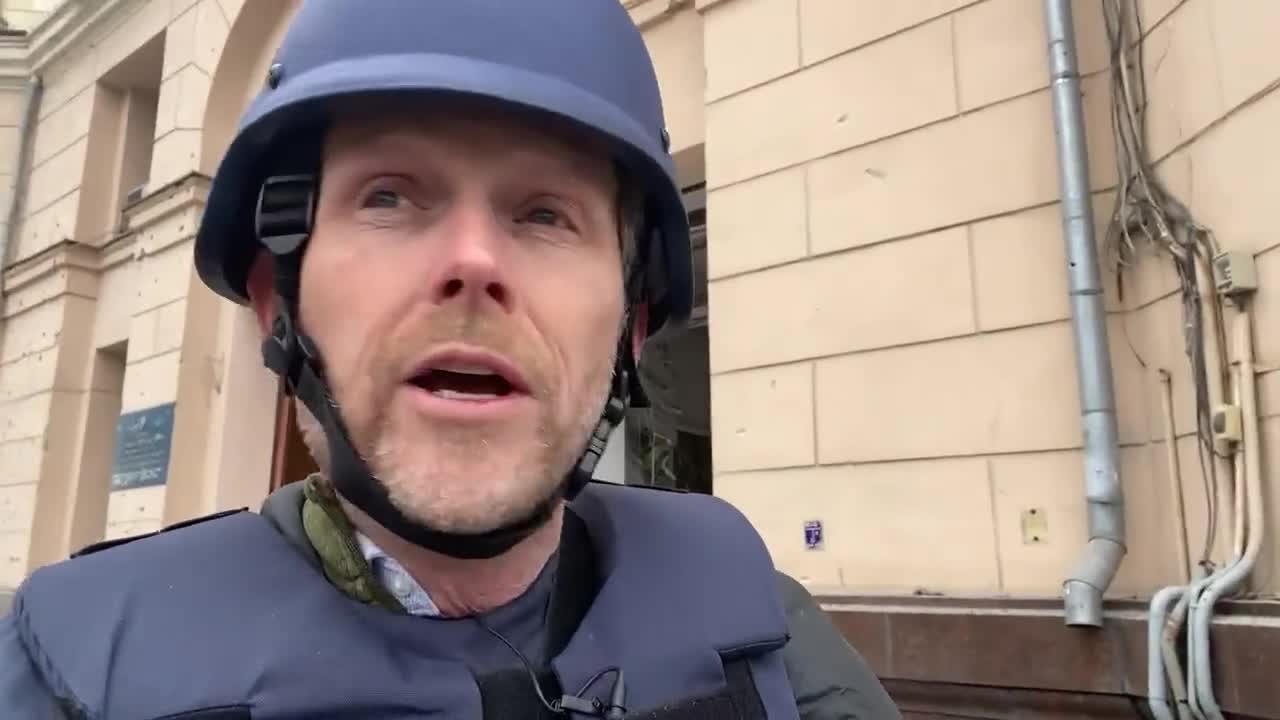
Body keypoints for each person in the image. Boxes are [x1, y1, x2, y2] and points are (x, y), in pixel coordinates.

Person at [0, 2, 899, 718]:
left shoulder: (771, 637)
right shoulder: (75, 673)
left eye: (546, 213)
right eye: (390, 196)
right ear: (281, 304)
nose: (474, 261)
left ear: (629, 329)